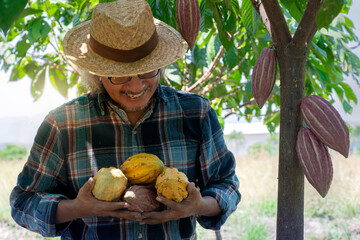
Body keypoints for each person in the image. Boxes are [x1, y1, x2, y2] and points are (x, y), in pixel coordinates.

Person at [10, 0, 241, 239]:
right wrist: (78, 208)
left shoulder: (195, 112)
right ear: (98, 75)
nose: (136, 85)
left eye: (147, 70)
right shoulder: (64, 123)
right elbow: (22, 203)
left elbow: (226, 185)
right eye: (120, 76)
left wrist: (198, 206)